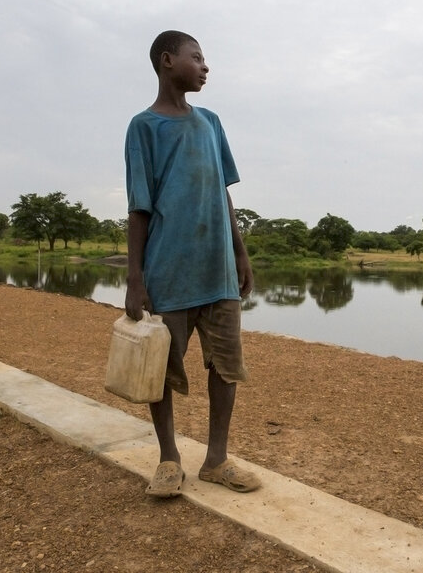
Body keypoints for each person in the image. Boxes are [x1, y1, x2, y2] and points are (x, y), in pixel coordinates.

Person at [124, 30, 259, 497]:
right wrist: (135, 278)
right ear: (167, 61)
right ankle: (168, 460)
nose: (205, 66)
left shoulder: (211, 123)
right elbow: (139, 207)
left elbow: (223, 193)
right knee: (161, 367)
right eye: (196, 57)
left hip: (217, 271)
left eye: (205, 59)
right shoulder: (144, 127)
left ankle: (217, 460)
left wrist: (240, 253)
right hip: (169, 273)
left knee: (226, 367)